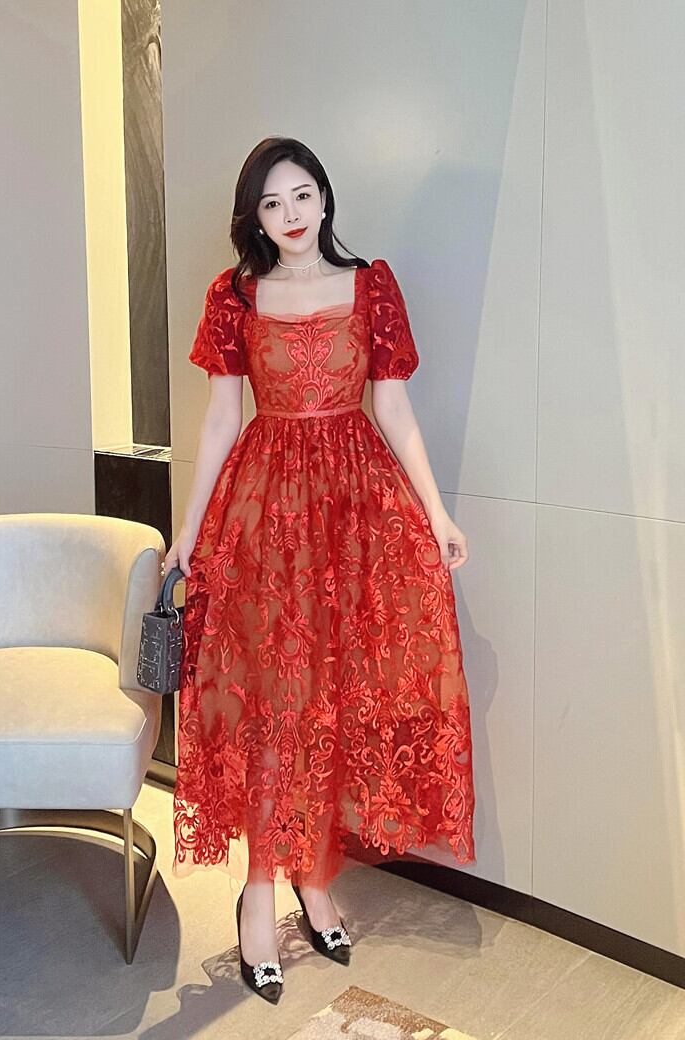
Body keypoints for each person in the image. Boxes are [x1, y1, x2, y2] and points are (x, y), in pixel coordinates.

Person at [164, 136, 475, 1004]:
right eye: (271, 203)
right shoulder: (234, 296)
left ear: (326, 199)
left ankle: (314, 876)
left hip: (356, 513)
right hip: (267, 515)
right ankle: (260, 894)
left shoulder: (371, 286)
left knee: (333, 701)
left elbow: (393, 408)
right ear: (254, 218)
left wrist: (437, 512)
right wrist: (188, 530)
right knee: (275, 705)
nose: (290, 215)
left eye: (301, 195)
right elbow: (221, 420)